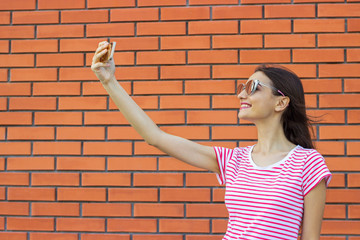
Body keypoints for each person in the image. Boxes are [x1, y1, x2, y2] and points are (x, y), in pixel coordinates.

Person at [91, 41, 332, 240]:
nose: (241, 94)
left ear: (281, 102)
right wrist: (109, 81)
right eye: (242, 87)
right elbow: (154, 137)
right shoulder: (233, 160)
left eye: (252, 87)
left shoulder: (307, 163)